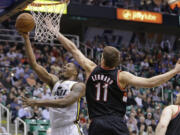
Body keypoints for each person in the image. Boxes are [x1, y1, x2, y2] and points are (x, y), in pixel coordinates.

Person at [47, 23, 180, 135]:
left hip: (97, 123)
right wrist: (174, 71)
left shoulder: (91, 68)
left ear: (102, 58)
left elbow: (73, 49)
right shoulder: (122, 76)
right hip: (116, 124)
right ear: (116, 63)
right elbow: (151, 82)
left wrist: (56, 32)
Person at [19, 32, 85, 135]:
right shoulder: (54, 82)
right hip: (55, 130)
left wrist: (37, 102)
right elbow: (34, 65)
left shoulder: (79, 86)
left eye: (68, 66)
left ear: (75, 72)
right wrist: (26, 38)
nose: (64, 67)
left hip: (71, 130)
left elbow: (64, 103)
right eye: (64, 65)